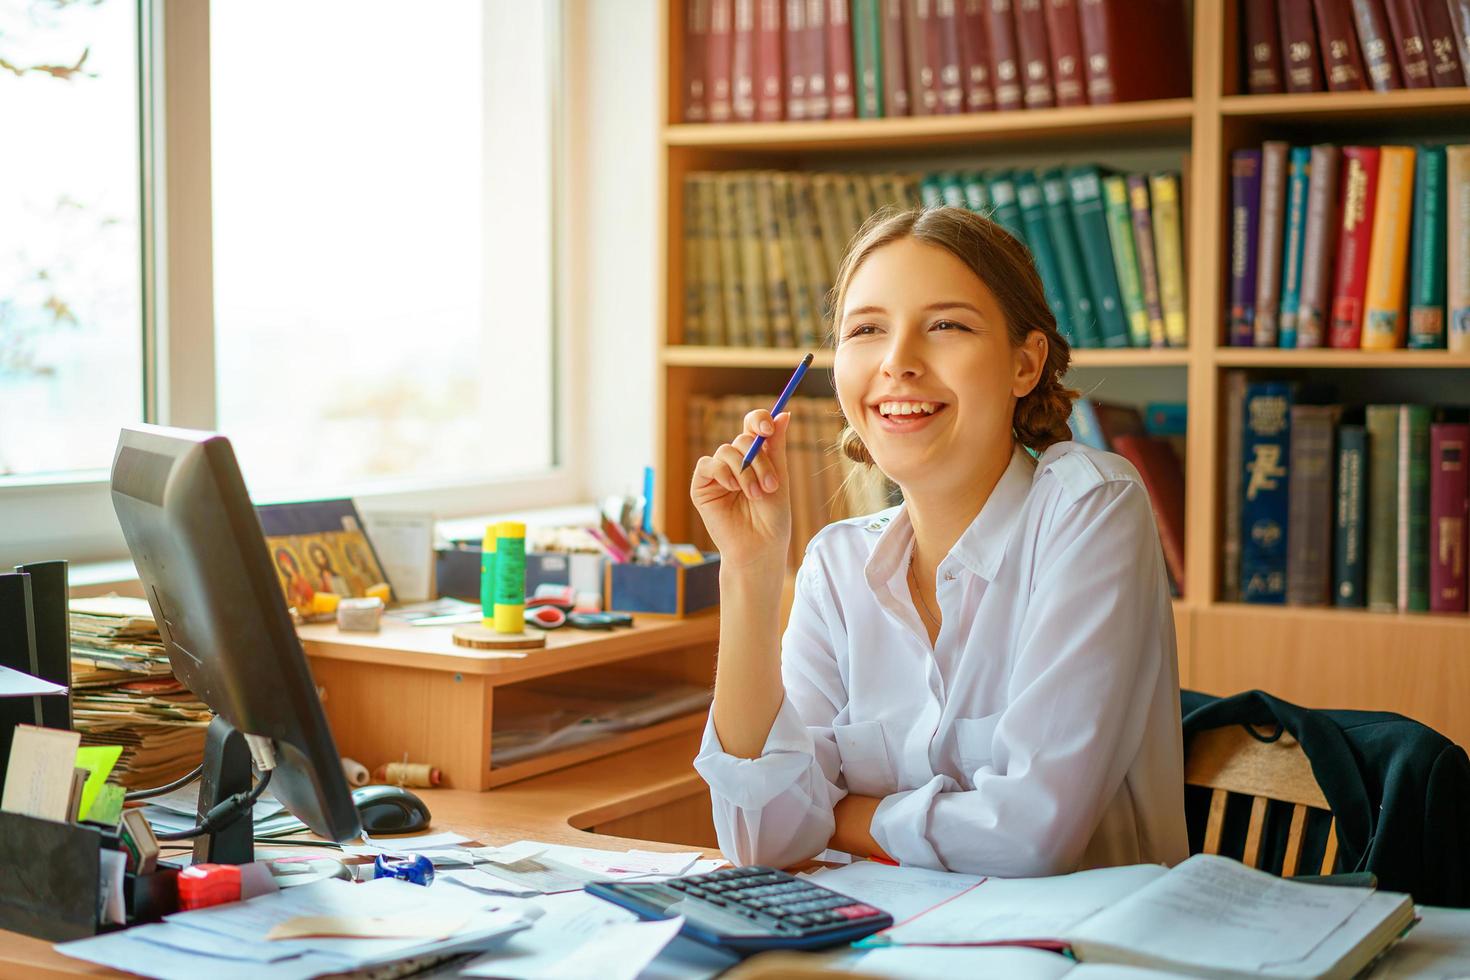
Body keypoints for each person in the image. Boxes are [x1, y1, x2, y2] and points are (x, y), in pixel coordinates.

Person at [689, 207, 1188, 877]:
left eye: (946, 326)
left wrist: (838, 815)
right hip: (881, 946)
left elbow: (1030, 838)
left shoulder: (1089, 507)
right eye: (866, 329)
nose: (898, 363)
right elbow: (761, 839)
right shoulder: (835, 565)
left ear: (1025, 363)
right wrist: (749, 573)